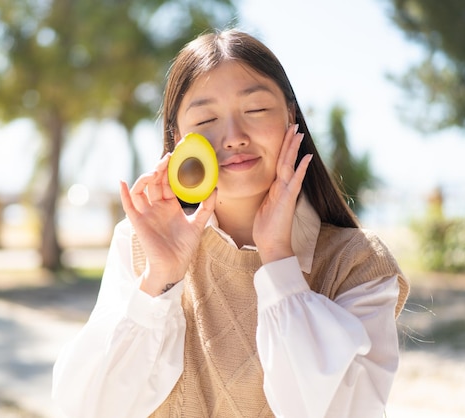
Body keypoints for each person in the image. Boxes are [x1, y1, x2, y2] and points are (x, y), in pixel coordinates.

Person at [52, 28, 410, 418]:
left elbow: (342, 409)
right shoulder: (138, 245)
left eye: (255, 110)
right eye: (206, 118)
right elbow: (89, 408)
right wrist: (161, 279)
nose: (234, 137)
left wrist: (278, 260)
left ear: (291, 116)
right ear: (178, 137)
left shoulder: (357, 264)